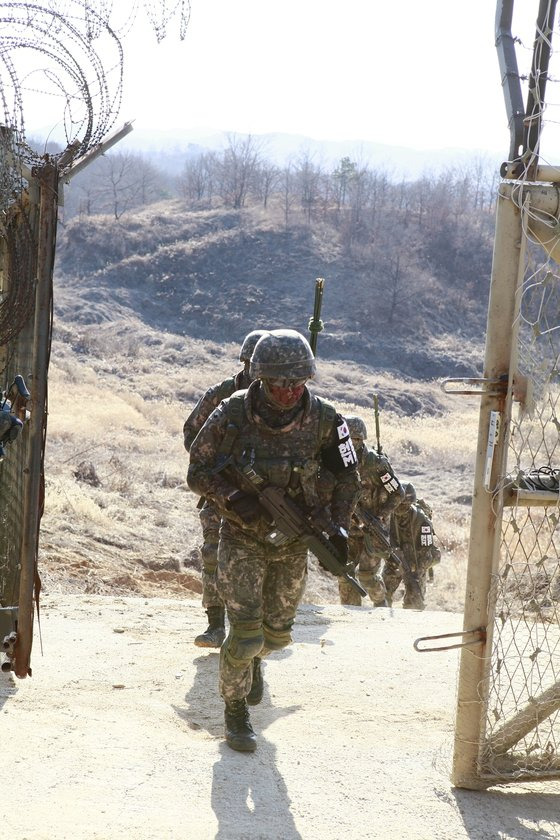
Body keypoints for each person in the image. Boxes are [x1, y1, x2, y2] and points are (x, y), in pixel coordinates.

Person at [187, 329, 360, 752]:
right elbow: (198, 470)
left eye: (297, 383)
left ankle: (252, 663)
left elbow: (347, 478)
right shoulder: (231, 413)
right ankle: (235, 712)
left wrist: (338, 527)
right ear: (260, 377)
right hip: (242, 538)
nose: (288, 392)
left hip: (294, 543)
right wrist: (232, 498)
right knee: (245, 632)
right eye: (280, 383)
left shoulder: (325, 419)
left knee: (276, 637)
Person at [183, 329, 270, 648]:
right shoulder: (221, 394)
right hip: (220, 492)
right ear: (246, 362)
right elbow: (192, 433)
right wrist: (218, 465)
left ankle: (251, 625)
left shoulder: (275, 402)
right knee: (212, 553)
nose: (258, 372)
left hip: (263, 496)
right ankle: (215, 624)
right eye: (254, 365)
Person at [338, 415, 404, 607]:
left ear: (362, 439)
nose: (352, 443)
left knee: (367, 576)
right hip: (348, 528)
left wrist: (381, 515)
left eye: (356, 439)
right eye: (348, 439)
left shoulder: (376, 464)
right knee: (344, 573)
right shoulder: (338, 461)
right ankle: (350, 612)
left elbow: (397, 493)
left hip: (372, 529)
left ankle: (381, 605)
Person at [383, 482, 441, 610]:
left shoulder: (421, 521)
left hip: (416, 562)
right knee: (383, 594)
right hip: (395, 559)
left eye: (404, 505)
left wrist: (413, 575)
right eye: (397, 504)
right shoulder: (388, 515)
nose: (400, 509)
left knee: (414, 602)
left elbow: (426, 553)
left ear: (410, 504)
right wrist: (392, 555)